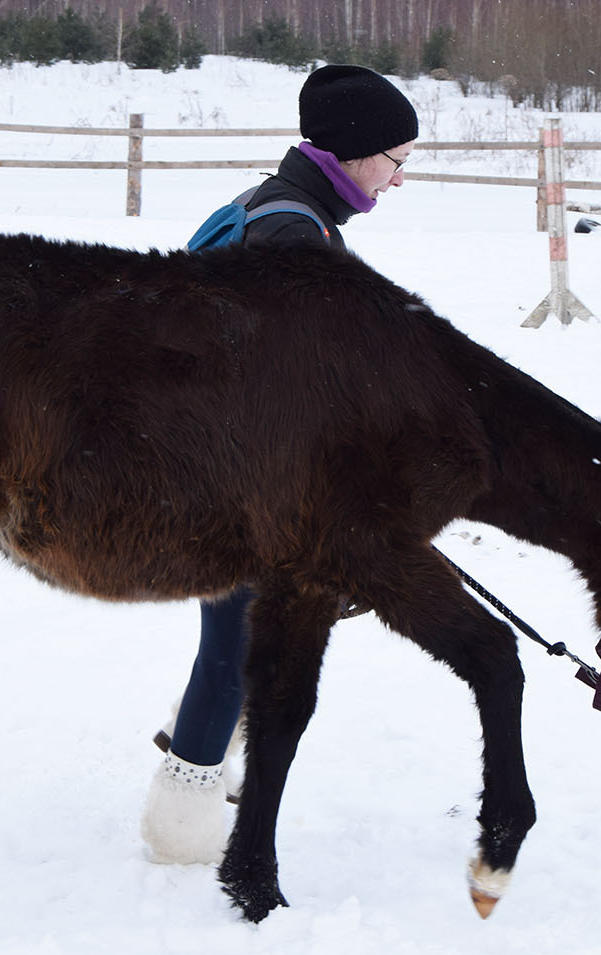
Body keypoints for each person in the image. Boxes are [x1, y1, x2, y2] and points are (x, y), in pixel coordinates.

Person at [141, 64, 419, 865]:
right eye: (397, 160)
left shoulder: (278, 205)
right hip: (225, 481)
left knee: (251, 635)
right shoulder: (290, 232)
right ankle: (180, 825)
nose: (399, 179)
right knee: (244, 640)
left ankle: (200, 738)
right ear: (360, 152)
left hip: (221, 465)